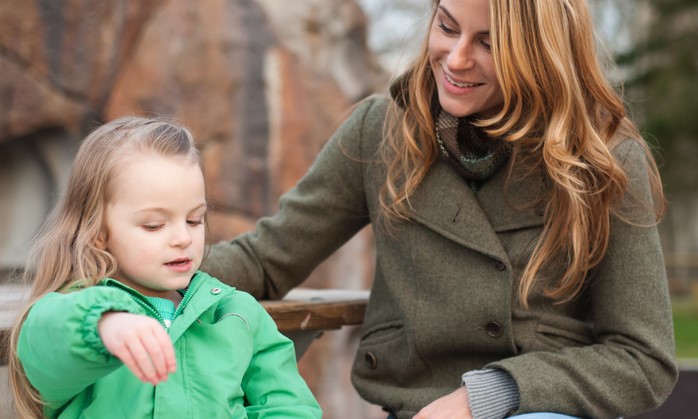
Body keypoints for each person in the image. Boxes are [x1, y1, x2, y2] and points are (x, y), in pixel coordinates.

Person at [200, 0, 679, 418]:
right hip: (418, 407)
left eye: (490, 44)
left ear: (540, 56)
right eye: (447, 27)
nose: (456, 58)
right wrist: (132, 280)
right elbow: (266, 258)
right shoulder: (380, 132)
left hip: (543, 409)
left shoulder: (604, 161)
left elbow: (642, 358)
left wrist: (494, 392)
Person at [8, 116, 322, 419]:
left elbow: (288, 405)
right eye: (154, 225)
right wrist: (102, 324)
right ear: (99, 232)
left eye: (194, 219)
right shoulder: (68, 312)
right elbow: (41, 340)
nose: (183, 238)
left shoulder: (238, 313)